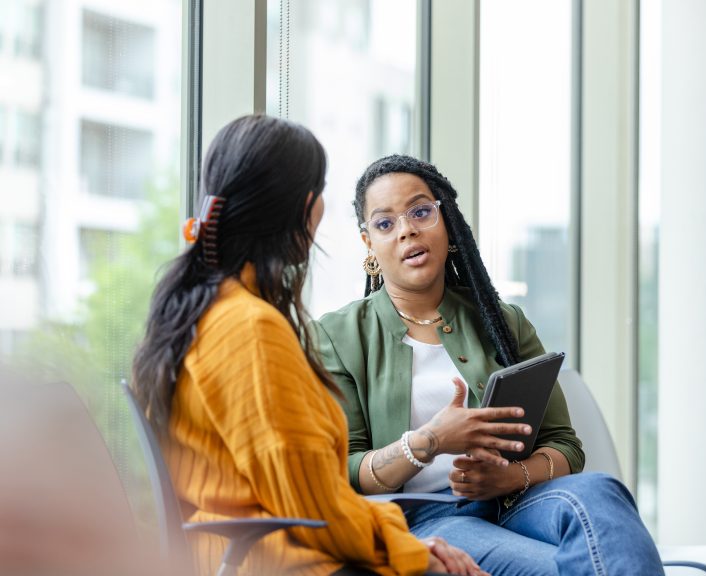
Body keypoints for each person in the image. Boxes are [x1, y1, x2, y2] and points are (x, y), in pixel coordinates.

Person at [131, 116, 486, 576]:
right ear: (306, 209)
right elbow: (316, 510)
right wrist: (415, 552)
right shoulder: (250, 330)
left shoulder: (202, 311)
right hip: (282, 561)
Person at [314, 155, 665, 575]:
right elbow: (345, 470)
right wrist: (429, 441)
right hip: (433, 520)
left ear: (447, 222)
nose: (407, 229)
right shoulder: (337, 336)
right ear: (368, 243)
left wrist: (509, 477)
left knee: (602, 491)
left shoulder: (503, 321)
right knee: (567, 568)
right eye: (385, 223)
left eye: (421, 211)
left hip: (519, 500)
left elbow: (566, 446)